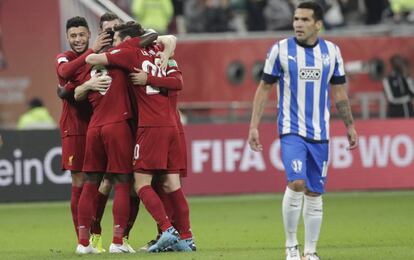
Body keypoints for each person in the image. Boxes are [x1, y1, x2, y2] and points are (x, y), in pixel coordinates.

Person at [248, 2, 358, 260]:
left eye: (305, 19)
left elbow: (339, 90)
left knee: (315, 192)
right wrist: (253, 125)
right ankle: (290, 247)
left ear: (318, 24)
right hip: (291, 129)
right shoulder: (280, 50)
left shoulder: (332, 52)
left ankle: (310, 251)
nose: (298, 23)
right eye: (296, 18)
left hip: (320, 132)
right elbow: (264, 88)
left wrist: (350, 124)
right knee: (296, 182)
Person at [86, 22, 195, 252]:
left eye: (116, 40)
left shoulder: (129, 53)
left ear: (127, 40)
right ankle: (187, 237)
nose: (114, 44)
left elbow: (92, 60)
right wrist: (165, 53)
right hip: (172, 125)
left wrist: (146, 78)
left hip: (150, 126)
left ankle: (167, 230)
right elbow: (178, 81)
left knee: (140, 183)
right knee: (171, 183)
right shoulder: (162, 53)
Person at [55, 16, 111, 242]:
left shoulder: (98, 59)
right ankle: (82, 238)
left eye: (81, 35)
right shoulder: (64, 57)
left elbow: (67, 86)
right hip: (75, 128)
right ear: (67, 38)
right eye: (73, 36)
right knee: (79, 182)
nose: (77, 40)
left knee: (99, 183)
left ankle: (94, 232)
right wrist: (92, 53)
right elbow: (65, 75)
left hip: (98, 127)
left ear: (89, 34)